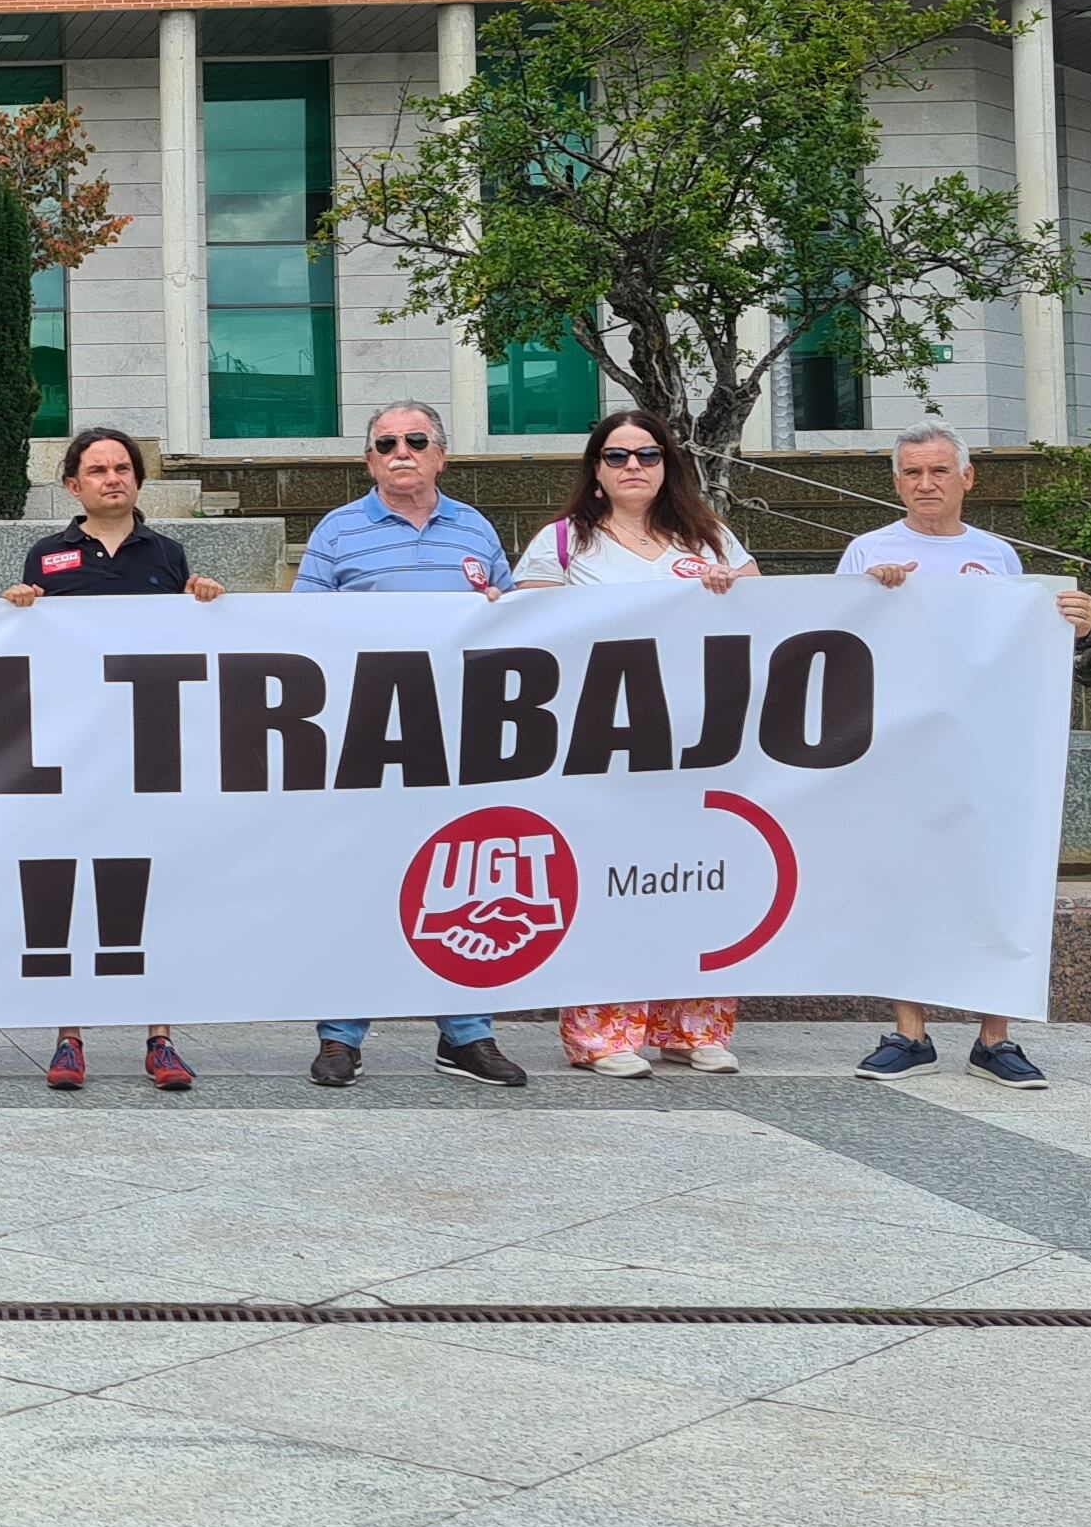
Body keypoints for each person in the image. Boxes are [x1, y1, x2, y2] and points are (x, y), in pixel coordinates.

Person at [842, 425, 1091, 1090]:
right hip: (900, 746)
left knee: (996, 882)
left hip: (988, 749)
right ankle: (909, 1032)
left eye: (938, 471)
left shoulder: (999, 556)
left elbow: (1023, 645)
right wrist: (867, 594)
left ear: (967, 477)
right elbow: (838, 639)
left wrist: (1073, 617)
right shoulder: (868, 550)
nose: (926, 485)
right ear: (896, 482)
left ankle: (996, 1039)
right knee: (905, 882)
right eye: (912, 473)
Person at [507, 411, 760, 1078]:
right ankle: (603, 1033)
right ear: (595, 470)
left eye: (647, 455)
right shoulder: (563, 545)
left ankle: (692, 1026)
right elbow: (530, 639)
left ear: (667, 464)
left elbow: (770, 624)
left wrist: (729, 596)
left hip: (701, 743)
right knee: (610, 883)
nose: (633, 467)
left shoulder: (709, 538)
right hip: (602, 746)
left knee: (699, 877)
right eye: (616, 457)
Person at [294, 400, 528, 1091]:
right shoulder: (337, 533)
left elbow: (513, 621)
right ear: (369, 460)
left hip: (459, 738)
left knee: (462, 877)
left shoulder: (476, 529)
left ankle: (467, 1034)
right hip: (367, 736)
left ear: (440, 455)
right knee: (359, 883)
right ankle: (341, 1036)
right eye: (386, 442)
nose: (402, 450)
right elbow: (303, 630)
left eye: (416, 440)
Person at [4, 424, 218, 1095]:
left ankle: (160, 1036)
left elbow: (190, 651)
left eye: (122, 468)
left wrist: (203, 606)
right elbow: (24, 652)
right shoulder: (48, 557)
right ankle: (70, 1037)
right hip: (70, 756)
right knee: (71, 887)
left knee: (151, 888)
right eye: (96, 470)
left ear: (137, 480)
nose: (111, 479)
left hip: (149, 753)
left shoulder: (169, 555)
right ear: (74, 485)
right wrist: (17, 609)